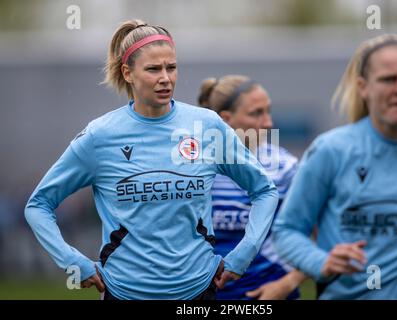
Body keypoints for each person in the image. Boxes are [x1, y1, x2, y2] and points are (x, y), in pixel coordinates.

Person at [24, 20, 279, 300]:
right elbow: (38, 205)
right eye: (153, 69)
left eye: (171, 67)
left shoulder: (206, 126)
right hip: (123, 293)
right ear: (128, 73)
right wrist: (73, 262)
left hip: (198, 293)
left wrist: (243, 254)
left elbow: (264, 190)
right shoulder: (100, 136)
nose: (165, 78)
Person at [272, 34, 397, 299]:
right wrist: (321, 262)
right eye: (389, 79)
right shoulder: (331, 150)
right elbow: (287, 230)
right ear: (363, 87)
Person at [198, 75, 306, 300]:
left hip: (266, 293)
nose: (268, 123)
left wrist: (286, 285)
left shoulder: (285, 168)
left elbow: (320, 236)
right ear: (226, 120)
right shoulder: (192, 166)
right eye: (257, 113)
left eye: (268, 111)